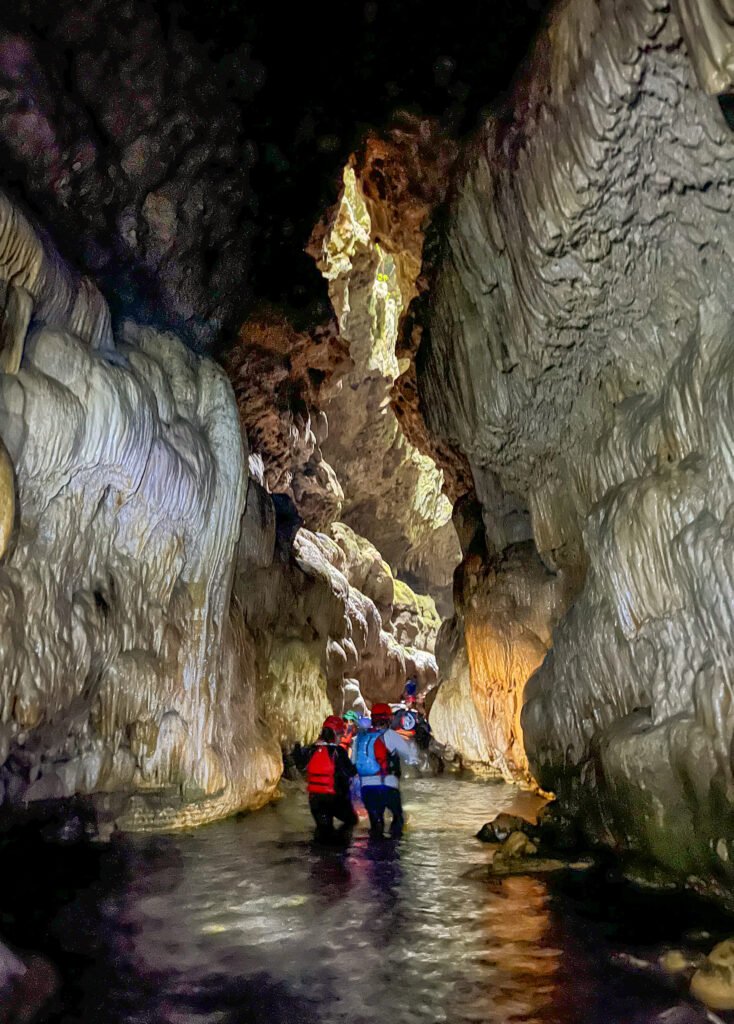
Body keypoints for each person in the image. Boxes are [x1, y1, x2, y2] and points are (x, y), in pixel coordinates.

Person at [352, 702, 418, 839]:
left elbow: (353, 762)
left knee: (376, 825)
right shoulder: (390, 735)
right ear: (388, 718)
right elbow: (411, 756)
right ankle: (393, 852)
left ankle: (375, 852)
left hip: (366, 789)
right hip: (387, 786)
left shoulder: (361, 738)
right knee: (398, 818)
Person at [306, 716, 358, 838]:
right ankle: (341, 846)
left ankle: (318, 852)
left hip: (315, 799)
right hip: (335, 799)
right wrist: (359, 766)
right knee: (351, 821)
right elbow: (349, 772)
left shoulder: (312, 750)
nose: (342, 737)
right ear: (336, 733)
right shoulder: (338, 752)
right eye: (341, 734)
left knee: (323, 829)